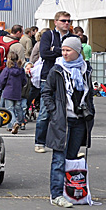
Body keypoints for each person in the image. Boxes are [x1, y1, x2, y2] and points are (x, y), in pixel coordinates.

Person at [41, 37, 94, 208]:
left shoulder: (86, 69)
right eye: (63, 50)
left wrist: (90, 112)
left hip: (79, 120)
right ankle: (56, 194)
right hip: (62, 120)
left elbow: (89, 94)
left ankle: (69, 191)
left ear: (78, 51)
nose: (64, 53)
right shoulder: (57, 69)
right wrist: (54, 111)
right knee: (58, 159)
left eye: (68, 50)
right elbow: (46, 92)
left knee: (71, 158)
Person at [34, 11, 74, 153]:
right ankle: (40, 142)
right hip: (49, 76)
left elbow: (75, 54)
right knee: (46, 111)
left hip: (67, 77)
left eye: (69, 20)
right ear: (56, 22)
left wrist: (55, 50)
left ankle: (65, 144)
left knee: (68, 111)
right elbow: (44, 53)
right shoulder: (48, 35)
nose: (67, 23)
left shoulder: (72, 36)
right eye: (63, 20)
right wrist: (63, 51)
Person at [0, 55, 27, 133]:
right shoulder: (21, 70)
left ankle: (14, 123)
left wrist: (2, 87)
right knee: (19, 108)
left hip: (8, 91)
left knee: (9, 109)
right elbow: (24, 81)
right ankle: (21, 123)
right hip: (17, 92)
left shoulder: (7, 70)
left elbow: (2, 80)